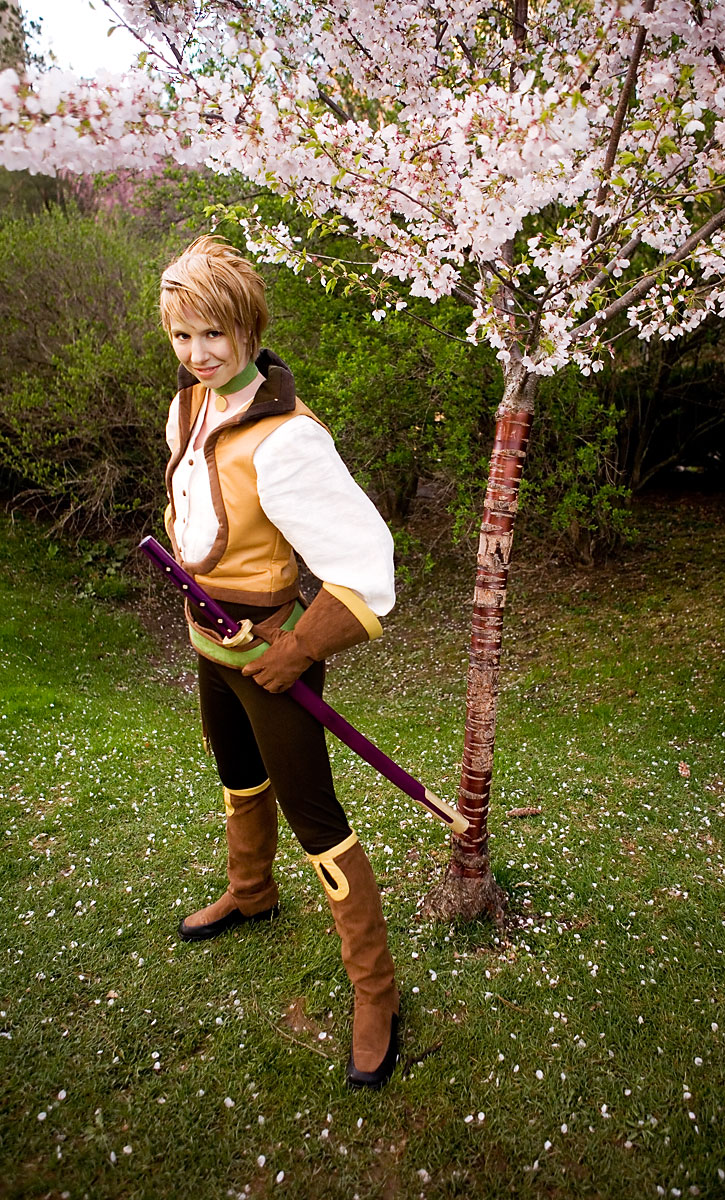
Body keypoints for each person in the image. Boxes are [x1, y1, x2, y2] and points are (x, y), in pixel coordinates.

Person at [158, 235, 399, 1090]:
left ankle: (376, 991)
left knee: (315, 816)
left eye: (213, 334)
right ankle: (251, 891)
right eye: (182, 336)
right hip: (207, 642)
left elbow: (367, 565)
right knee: (237, 777)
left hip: (270, 654)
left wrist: (296, 647)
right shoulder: (188, 408)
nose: (198, 354)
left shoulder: (289, 440)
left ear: (249, 329)